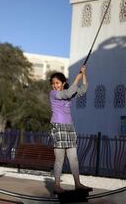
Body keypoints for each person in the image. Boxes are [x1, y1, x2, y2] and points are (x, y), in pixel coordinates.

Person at [49, 65, 92, 194]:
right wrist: (77, 77)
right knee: (60, 159)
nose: (55, 85)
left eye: (57, 83)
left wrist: (83, 74)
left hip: (69, 127)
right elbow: (67, 93)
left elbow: (83, 90)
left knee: (73, 158)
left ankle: (77, 184)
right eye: (53, 83)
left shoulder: (68, 92)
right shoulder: (54, 94)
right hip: (58, 127)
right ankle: (57, 185)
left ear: (63, 83)